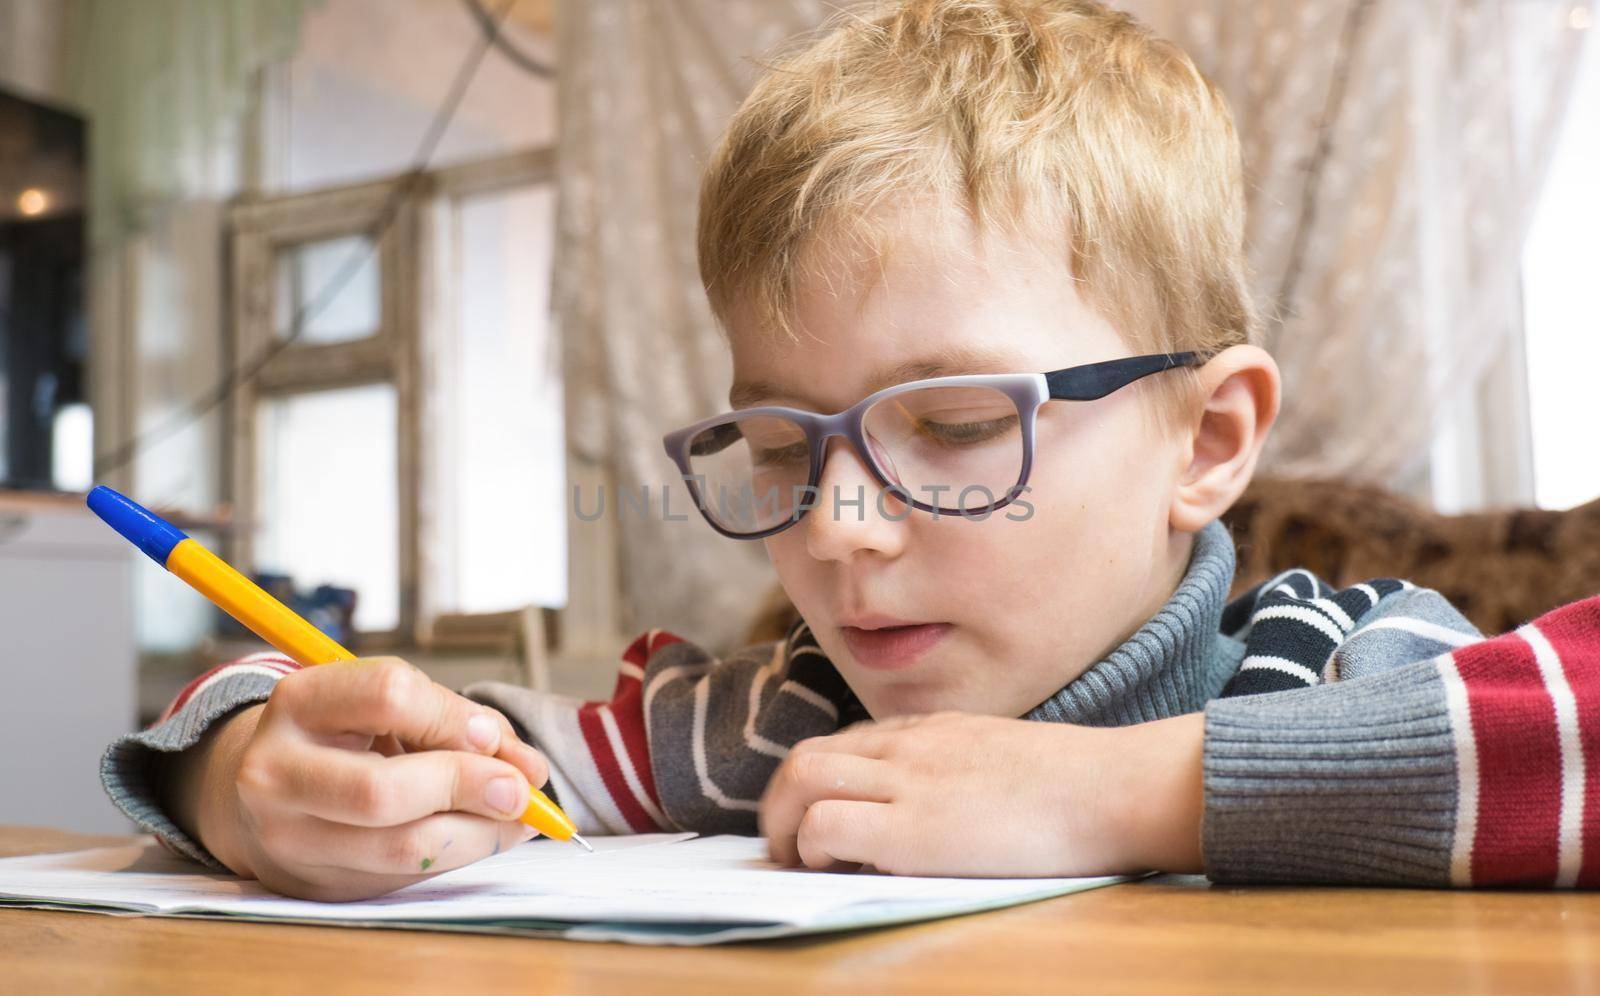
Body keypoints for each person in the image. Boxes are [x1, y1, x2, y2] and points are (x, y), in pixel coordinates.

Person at [103, 0, 1600, 901]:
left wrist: (1107, 794)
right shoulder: (771, 722)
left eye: (953, 427)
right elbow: (415, 727)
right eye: (777, 446)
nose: (837, 530)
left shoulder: (1351, 666)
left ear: (1205, 440)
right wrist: (238, 774)